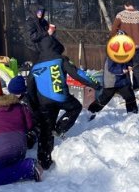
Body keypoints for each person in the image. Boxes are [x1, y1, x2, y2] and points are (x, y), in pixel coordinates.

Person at [26, 30, 98, 169]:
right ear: (54, 45)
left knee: (45, 130)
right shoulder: (60, 60)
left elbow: (30, 87)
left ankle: (44, 161)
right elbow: (77, 74)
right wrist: (94, 83)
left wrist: (35, 106)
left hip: (44, 102)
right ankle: (60, 128)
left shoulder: (35, 66)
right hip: (61, 97)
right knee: (75, 107)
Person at [0, 68, 43, 187]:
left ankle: (29, 167)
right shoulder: (17, 105)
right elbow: (29, 125)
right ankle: (22, 165)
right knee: (9, 163)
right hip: (20, 149)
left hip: (1, 153)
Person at [110, 0, 139, 91]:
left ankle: (126, 88)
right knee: (136, 68)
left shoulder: (120, 15)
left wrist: (115, 39)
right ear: (134, 5)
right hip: (137, 47)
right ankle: (136, 88)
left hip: (124, 48)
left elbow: (113, 29)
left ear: (125, 5)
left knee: (124, 67)